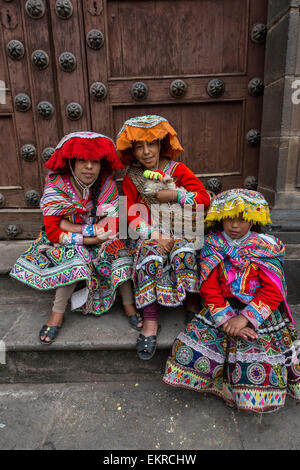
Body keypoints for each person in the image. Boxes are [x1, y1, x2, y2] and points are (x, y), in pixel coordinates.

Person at [163, 188, 300, 412]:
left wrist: (245, 319)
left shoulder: (266, 247)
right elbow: (209, 285)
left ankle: (246, 393)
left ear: (254, 219)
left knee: (254, 350)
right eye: (228, 219)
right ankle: (219, 385)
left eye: (241, 219)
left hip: (257, 310)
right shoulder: (213, 244)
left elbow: (273, 291)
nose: (234, 226)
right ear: (220, 218)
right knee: (195, 344)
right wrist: (226, 319)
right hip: (221, 307)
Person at [10, 131, 142, 344]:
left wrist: (71, 226)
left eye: (95, 161)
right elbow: (53, 233)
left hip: (93, 236)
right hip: (64, 242)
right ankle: (57, 313)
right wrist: (89, 236)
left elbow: (113, 224)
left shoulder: (106, 185)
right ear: (71, 162)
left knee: (119, 248)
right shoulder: (57, 186)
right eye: (83, 160)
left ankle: (128, 304)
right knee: (75, 255)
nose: (89, 167)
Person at [116, 115, 211, 360]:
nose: (146, 152)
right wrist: (153, 234)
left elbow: (203, 199)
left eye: (151, 144)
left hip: (181, 229)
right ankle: (150, 320)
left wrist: (174, 195)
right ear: (133, 151)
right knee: (149, 256)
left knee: (186, 253)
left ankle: (191, 305)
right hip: (150, 234)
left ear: (161, 145)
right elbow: (129, 214)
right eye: (139, 146)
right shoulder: (131, 177)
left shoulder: (178, 170)